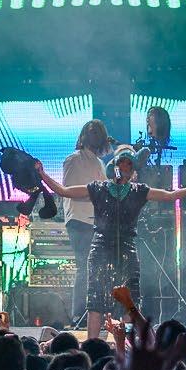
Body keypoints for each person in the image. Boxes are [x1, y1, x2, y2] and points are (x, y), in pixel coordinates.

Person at [37, 145, 186, 338]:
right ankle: (93, 346)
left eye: (129, 164)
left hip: (127, 252)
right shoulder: (98, 188)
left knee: (129, 303)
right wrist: (42, 174)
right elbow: (63, 191)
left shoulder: (139, 191)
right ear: (114, 166)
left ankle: (125, 345)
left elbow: (170, 195)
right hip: (100, 250)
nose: (124, 167)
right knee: (96, 302)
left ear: (133, 170)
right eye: (121, 163)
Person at [61, 120, 110, 325]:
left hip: (95, 222)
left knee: (95, 268)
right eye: (92, 133)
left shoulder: (98, 163)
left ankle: (92, 313)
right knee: (85, 267)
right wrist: (96, 193)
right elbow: (69, 190)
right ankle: (79, 314)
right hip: (79, 220)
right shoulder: (74, 160)